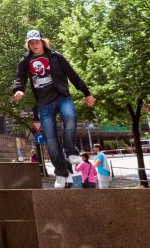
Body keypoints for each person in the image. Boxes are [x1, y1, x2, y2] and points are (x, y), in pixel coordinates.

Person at [12, 30, 95, 188]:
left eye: (37, 42)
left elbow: (72, 74)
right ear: (28, 45)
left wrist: (87, 93)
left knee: (70, 117)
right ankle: (61, 173)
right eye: (31, 43)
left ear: (42, 42)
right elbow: (19, 77)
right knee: (50, 138)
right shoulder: (25, 61)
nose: (34, 45)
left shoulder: (56, 56)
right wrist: (18, 89)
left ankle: (71, 152)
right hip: (44, 102)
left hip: (61, 96)